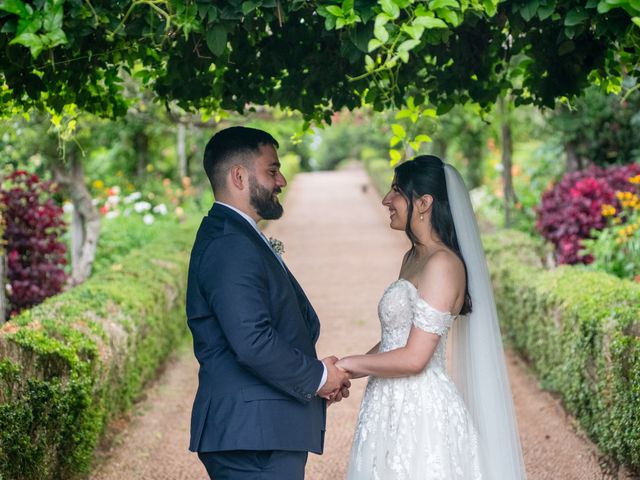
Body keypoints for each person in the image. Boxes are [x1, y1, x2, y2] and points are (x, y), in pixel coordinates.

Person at [337, 155, 527, 479]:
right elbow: (396, 341)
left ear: (424, 202)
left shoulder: (443, 265)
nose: (386, 199)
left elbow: (415, 358)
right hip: (386, 400)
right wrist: (343, 374)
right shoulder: (412, 257)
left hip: (420, 410)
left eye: (396, 191)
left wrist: (346, 364)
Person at [186, 126, 350, 480]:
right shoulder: (230, 243)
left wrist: (319, 377)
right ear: (239, 176)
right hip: (252, 438)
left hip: (259, 431)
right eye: (272, 170)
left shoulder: (237, 234)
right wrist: (319, 376)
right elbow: (252, 341)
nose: (282, 181)